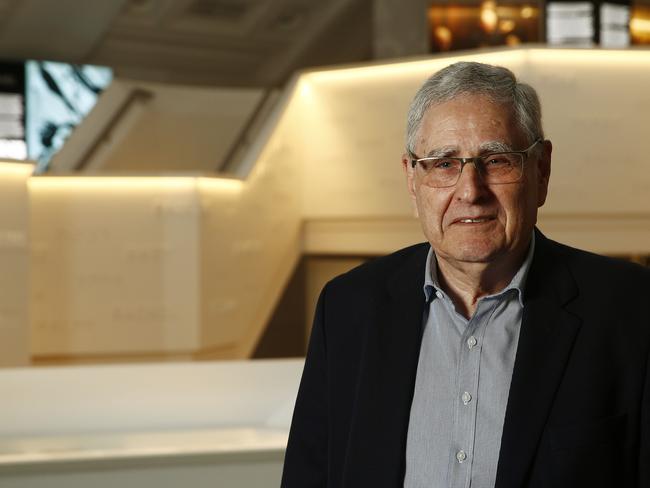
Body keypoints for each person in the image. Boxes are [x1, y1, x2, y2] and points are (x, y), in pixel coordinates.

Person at [281, 61, 650, 488]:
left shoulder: (632, 310)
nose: (471, 191)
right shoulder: (347, 308)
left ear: (542, 170)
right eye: (443, 164)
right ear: (411, 178)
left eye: (496, 161)